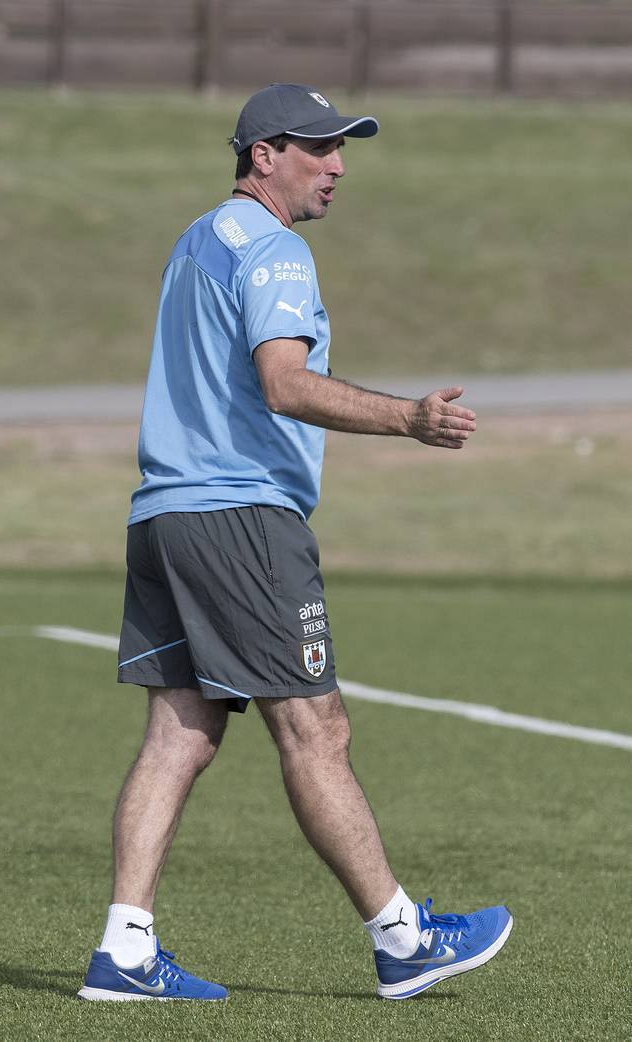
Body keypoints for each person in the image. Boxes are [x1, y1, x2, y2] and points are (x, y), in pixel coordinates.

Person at [78, 83, 512, 1004]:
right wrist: (411, 419)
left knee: (180, 733)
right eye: (319, 147)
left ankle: (124, 949)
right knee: (316, 729)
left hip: (165, 514)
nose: (340, 166)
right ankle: (403, 940)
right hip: (242, 518)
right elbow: (283, 383)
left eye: (343, 147)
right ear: (262, 155)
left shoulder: (199, 238)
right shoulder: (275, 249)